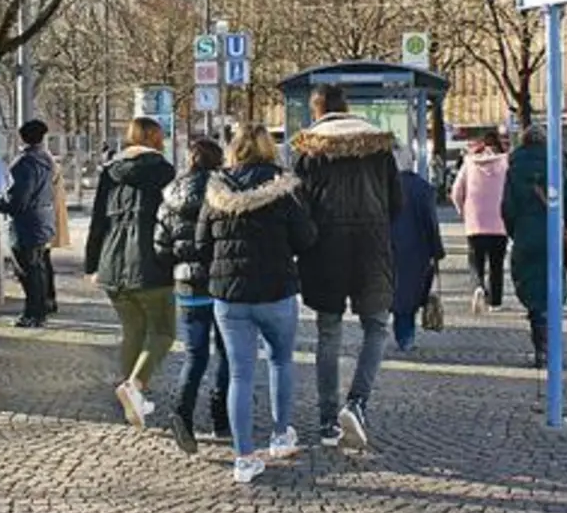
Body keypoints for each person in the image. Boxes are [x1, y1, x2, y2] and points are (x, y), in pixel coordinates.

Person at [195, 124, 317, 483]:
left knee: (239, 374)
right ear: (268, 149)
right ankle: (281, 436)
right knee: (280, 361)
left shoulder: (215, 189)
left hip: (229, 299)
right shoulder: (284, 188)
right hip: (276, 290)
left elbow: (202, 244)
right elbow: (306, 238)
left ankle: (243, 458)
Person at [290, 84, 401, 449]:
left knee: (328, 334)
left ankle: (327, 422)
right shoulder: (378, 146)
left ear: (316, 110)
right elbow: (395, 203)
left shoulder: (309, 150)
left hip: (327, 251)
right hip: (372, 248)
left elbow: (299, 208)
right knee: (375, 328)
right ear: (346, 106)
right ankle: (357, 402)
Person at [85, 118, 177, 428]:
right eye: (160, 135)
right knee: (163, 331)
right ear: (152, 137)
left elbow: (98, 219)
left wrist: (91, 264)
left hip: (112, 264)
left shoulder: (111, 171)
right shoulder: (164, 171)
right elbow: (171, 220)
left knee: (133, 331)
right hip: (150, 264)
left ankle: (132, 401)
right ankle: (134, 386)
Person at [153, 137, 232, 453]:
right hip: (221, 282)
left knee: (195, 354)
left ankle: (182, 413)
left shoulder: (171, 194)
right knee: (227, 353)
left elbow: (160, 246)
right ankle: (221, 416)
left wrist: (180, 262)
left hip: (187, 285)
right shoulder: (223, 190)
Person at [501, 124, 567, 369]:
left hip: (526, 236)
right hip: (554, 237)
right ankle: (551, 345)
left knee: (533, 292)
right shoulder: (556, 166)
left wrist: (517, 233)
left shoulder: (514, 169)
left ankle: (541, 346)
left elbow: (507, 209)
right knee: (553, 292)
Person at [0, 120, 57, 329]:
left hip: (27, 223)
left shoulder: (24, 163)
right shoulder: (46, 159)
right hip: (44, 219)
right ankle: (44, 306)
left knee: (27, 271)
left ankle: (33, 314)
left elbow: (19, 199)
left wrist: (0, 202)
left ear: (22, 137)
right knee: (39, 267)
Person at [389, 146, 444, 352]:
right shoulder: (423, 188)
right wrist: (436, 251)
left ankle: (401, 334)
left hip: (390, 248)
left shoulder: (384, 187)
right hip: (417, 250)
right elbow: (431, 222)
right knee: (410, 294)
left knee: (395, 292)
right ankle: (406, 336)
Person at [450, 130, 510, 314]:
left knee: (476, 260)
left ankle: (477, 287)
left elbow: (456, 191)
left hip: (475, 221)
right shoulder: (506, 163)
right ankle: (495, 302)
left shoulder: (469, 163)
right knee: (496, 264)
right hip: (500, 223)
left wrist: (463, 211)